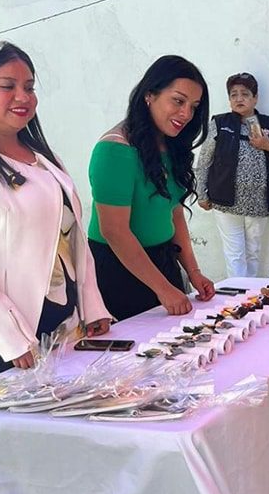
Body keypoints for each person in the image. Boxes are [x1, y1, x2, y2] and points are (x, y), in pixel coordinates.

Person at [0, 39, 110, 377]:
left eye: (29, 87)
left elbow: (74, 240)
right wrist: (9, 338)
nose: (23, 96)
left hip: (65, 330)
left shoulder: (44, 160)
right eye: (7, 86)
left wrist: (92, 305)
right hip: (4, 347)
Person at [88, 55, 215, 321]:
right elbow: (114, 231)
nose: (186, 114)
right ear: (150, 95)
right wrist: (163, 289)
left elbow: (174, 212)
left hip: (164, 262)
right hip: (119, 270)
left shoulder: (170, 145)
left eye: (193, 106)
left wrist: (193, 272)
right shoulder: (114, 150)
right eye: (178, 101)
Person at [195, 72, 269, 278]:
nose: (239, 99)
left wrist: (268, 145)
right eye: (234, 95)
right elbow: (204, 159)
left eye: (245, 94)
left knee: (253, 253)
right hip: (226, 202)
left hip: (259, 202)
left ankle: (250, 298)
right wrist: (201, 193)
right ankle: (239, 299)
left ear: (255, 98)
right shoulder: (220, 123)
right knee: (234, 255)